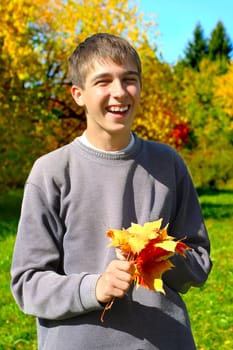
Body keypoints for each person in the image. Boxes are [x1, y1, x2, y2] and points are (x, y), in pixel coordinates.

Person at [11, 33, 212, 350]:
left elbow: (199, 264)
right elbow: (27, 284)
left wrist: (161, 253)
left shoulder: (168, 164)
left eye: (129, 80)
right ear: (78, 94)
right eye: (103, 81)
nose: (119, 92)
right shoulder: (51, 172)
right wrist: (95, 287)